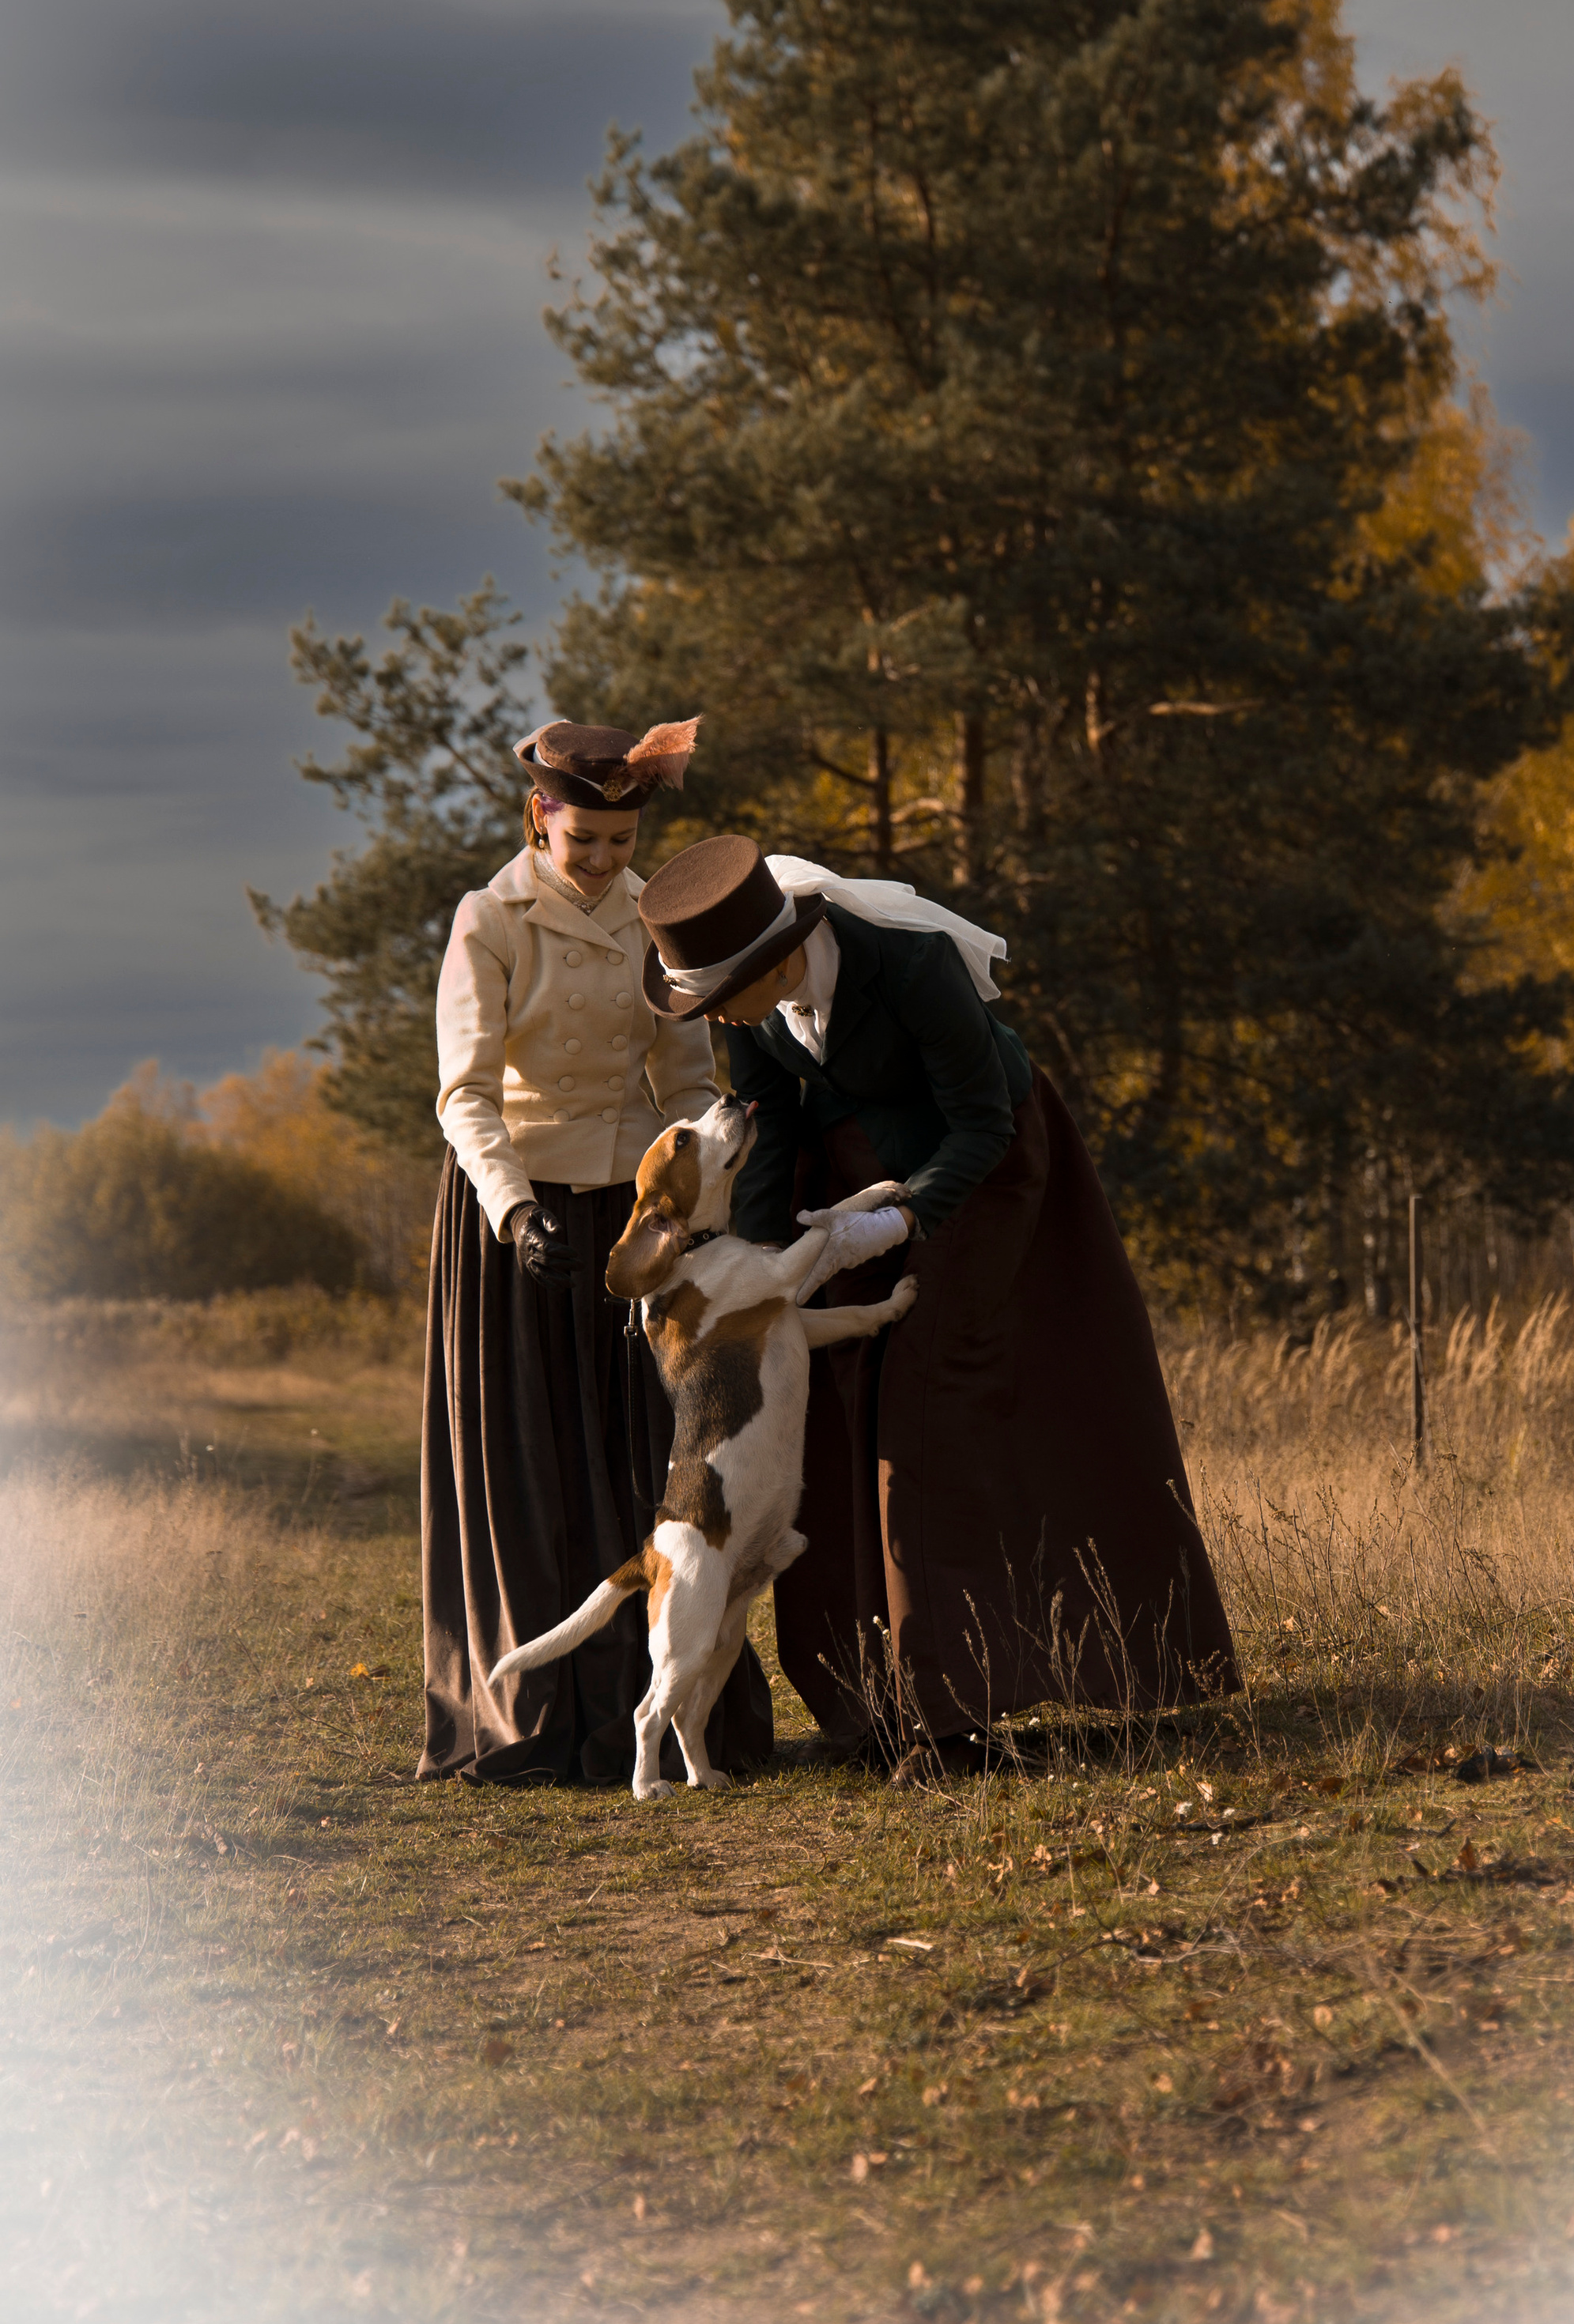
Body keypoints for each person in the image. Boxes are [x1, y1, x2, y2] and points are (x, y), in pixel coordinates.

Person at [636, 836, 1239, 1777]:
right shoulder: (752, 1012)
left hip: (987, 1173)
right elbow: (772, 1118)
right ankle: (871, 1697)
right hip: (852, 1182)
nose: (720, 1022)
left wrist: (903, 1219)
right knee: (841, 1398)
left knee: (928, 1403)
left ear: (779, 957)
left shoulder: (913, 969)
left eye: (722, 1001)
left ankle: (954, 1711)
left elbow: (984, 1121)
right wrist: (758, 1264)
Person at [417, 719, 774, 1785]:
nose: (610, 865)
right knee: (531, 1459)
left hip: (633, 1214)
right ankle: (533, 1714)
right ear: (543, 820)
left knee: (656, 1454)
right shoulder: (488, 920)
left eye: (623, 845)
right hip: (516, 1216)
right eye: (589, 845)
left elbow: (685, 1075)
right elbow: (465, 1092)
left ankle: (673, 1698)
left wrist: (711, 1175)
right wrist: (514, 1210)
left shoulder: (646, 915)